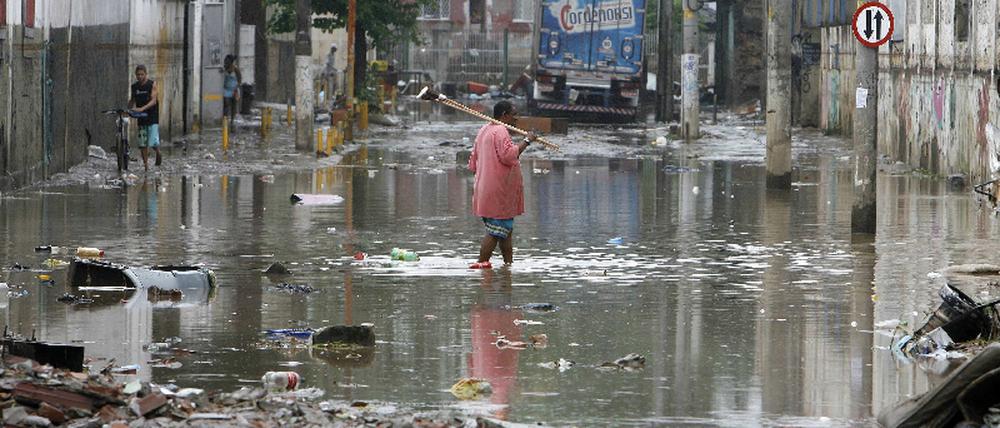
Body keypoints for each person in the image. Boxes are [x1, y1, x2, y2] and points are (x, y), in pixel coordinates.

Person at [467, 101, 536, 269]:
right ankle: (481, 264)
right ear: (504, 115)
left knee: (506, 232)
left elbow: (472, 162)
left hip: (485, 188)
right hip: (498, 190)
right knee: (496, 231)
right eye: (514, 114)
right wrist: (527, 141)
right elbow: (508, 156)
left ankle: (508, 267)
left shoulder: (484, 130)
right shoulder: (500, 130)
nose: (516, 118)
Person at [128, 64, 161, 171]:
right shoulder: (134, 87)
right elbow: (132, 100)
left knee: (152, 142)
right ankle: (146, 165)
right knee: (142, 143)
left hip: (152, 116)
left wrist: (142, 108)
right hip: (141, 117)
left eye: (142, 74)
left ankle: (158, 152)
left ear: (146, 74)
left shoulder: (152, 84)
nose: (140, 76)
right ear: (135, 75)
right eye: (138, 75)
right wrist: (127, 110)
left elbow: (153, 101)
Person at [222, 55, 242, 121]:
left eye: (227, 61)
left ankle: (232, 120)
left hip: (234, 89)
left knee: (233, 105)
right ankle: (225, 119)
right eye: (225, 61)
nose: (226, 63)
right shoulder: (224, 69)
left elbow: (239, 80)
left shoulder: (236, 70)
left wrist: (236, 88)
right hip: (226, 89)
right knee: (226, 103)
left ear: (231, 62)